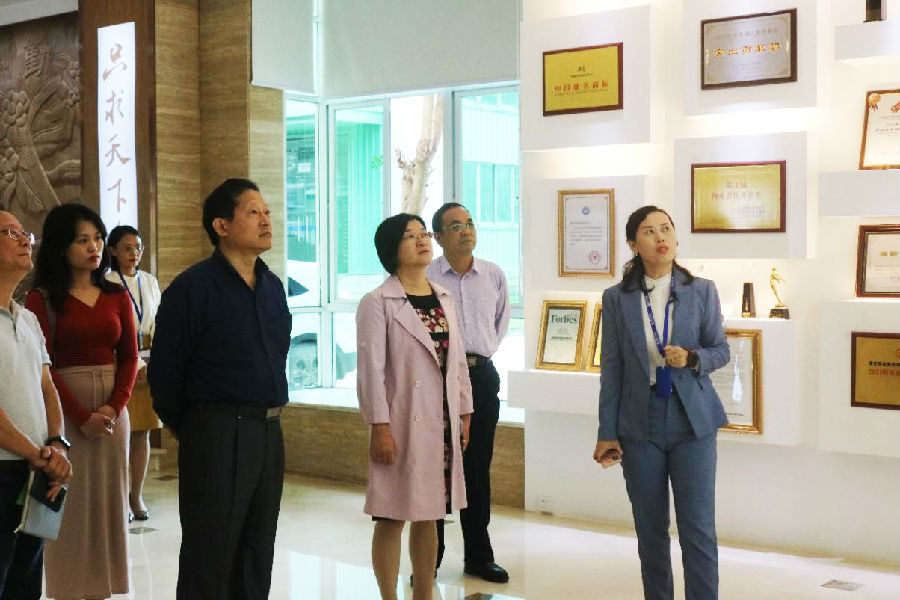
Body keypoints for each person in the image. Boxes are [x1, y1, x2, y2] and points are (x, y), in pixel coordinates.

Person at [149, 178, 290, 599]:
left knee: (257, 549)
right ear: (222, 226)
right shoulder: (192, 289)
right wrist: (196, 427)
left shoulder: (272, 286)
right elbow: (165, 373)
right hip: (216, 431)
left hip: (268, 431)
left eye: (267, 211)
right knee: (210, 553)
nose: (266, 220)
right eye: (253, 212)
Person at [592, 206, 730, 600]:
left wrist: (692, 358)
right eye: (649, 231)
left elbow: (721, 349)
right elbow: (612, 369)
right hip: (640, 421)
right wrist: (607, 431)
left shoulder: (701, 290)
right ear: (634, 244)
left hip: (692, 421)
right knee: (650, 530)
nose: (660, 237)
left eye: (666, 228)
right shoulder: (616, 298)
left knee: (697, 527)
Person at [356, 213, 473, 600]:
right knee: (391, 515)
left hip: (441, 421)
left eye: (424, 234)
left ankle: (424, 592)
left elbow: (457, 361)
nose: (423, 241)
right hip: (400, 422)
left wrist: (464, 411)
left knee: (430, 513)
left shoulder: (443, 297)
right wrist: (379, 426)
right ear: (392, 249)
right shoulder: (377, 302)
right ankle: (388, 596)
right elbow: (371, 371)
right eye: (411, 236)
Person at [25, 203, 138, 600]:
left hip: (111, 414)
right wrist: (79, 415)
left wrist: (113, 407)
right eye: (82, 240)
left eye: (98, 239)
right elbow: (45, 367)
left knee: (109, 505)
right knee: (69, 508)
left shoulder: (116, 294)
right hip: (64, 411)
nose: (94, 247)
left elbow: (129, 357)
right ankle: (70, 590)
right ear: (61, 247)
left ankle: (104, 588)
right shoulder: (41, 299)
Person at [426, 202, 510, 583]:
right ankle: (430, 557)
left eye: (470, 223)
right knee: (436, 469)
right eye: (456, 226)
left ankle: (478, 556)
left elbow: (499, 324)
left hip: (480, 377)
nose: (466, 231)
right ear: (439, 236)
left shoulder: (493, 274)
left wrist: (476, 355)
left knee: (477, 468)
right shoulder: (426, 277)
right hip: (436, 378)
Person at [0, 208, 72, 599]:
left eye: (24, 232)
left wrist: (57, 445)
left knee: (25, 582)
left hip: (34, 472)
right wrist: (37, 454)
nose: (25, 239)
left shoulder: (27, 318)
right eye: (10, 233)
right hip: (6, 466)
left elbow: (47, 387)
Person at [106, 225, 162, 522]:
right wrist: (136, 364)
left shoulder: (149, 281)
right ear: (113, 250)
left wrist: (154, 364)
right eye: (127, 248)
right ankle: (119, 498)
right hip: (120, 364)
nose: (134, 253)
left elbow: (160, 323)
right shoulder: (106, 282)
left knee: (142, 432)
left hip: (149, 365)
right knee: (120, 434)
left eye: (138, 247)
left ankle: (136, 495)